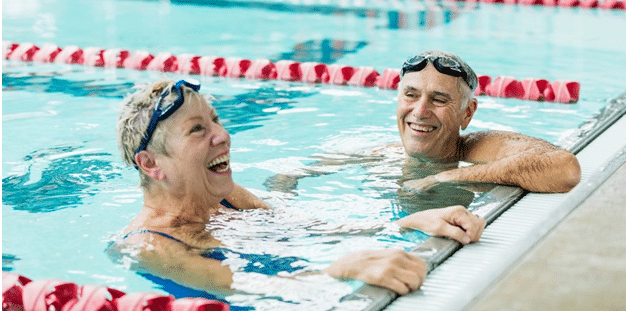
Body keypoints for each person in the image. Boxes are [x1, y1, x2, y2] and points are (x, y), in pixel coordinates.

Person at [109, 79, 485, 300]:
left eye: (216, 120)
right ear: (151, 164)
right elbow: (250, 288)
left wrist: (410, 222)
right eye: (197, 130)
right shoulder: (147, 245)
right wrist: (336, 272)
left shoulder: (223, 196)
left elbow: (308, 226)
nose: (223, 136)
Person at [397, 50, 581, 193]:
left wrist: (444, 178)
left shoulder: (479, 149)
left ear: (467, 113)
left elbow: (565, 168)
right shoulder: (386, 154)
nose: (420, 112)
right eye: (411, 95)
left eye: (439, 100)